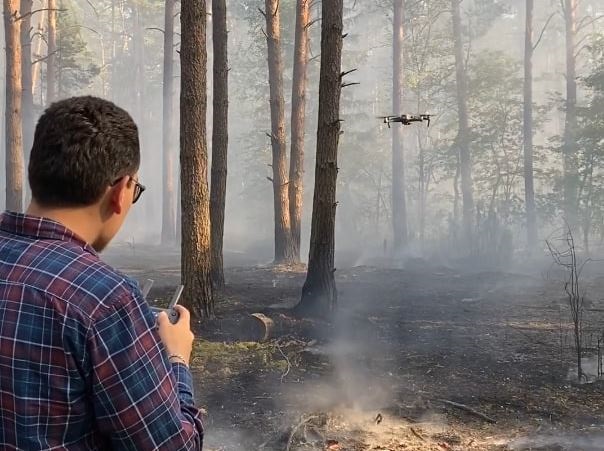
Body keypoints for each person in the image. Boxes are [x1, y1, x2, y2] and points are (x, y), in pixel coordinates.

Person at [0, 96, 203, 450]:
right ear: (121, 192)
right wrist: (176, 360)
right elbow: (171, 446)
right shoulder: (105, 299)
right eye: (135, 190)